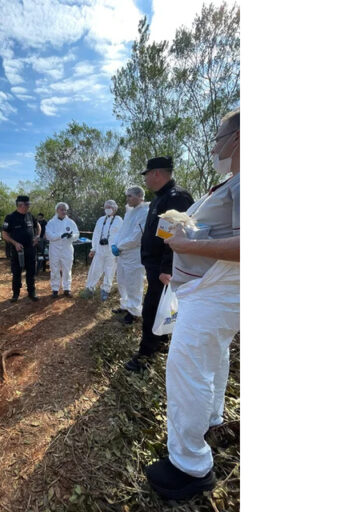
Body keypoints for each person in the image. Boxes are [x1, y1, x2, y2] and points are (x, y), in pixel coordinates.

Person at [144, 109, 240, 501]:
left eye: (219, 138)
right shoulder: (232, 182)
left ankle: (189, 465)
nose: (215, 146)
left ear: (240, 137)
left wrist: (186, 245)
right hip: (211, 290)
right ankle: (212, 419)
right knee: (213, 358)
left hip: (216, 291)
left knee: (187, 368)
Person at [124, 156, 193, 372]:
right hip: (154, 266)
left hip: (164, 269)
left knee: (152, 309)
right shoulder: (159, 199)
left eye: (146, 175)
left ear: (156, 173)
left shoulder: (176, 198)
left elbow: (177, 236)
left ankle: (145, 355)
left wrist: (166, 267)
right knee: (159, 308)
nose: (145, 180)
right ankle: (160, 341)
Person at [109, 186, 149, 324]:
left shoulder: (145, 211)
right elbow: (121, 231)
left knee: (134, 283)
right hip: (122, 253)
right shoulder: (129, 212)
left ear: (139, 196)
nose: (128, 199)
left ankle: (134, 312)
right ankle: (125, 305)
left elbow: (137, 237)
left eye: (130, 196)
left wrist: (119, 246)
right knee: (122, 281)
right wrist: (115, 243)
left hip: (134, 254)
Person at [81, 200, 123, 301]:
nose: (107, 209)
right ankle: (90, 288)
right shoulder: (100, 220)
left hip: (111, 250)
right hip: (100, 249)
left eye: (109, 207)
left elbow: (122, 235)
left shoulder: (119, 220)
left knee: (110, 270)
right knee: (95, 269)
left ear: (114, 208)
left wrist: (119, 248)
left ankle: (105, 290)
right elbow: (95, 235)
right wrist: (93, 249)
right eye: (106, 207)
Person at [1, 195, 41, 302]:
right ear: (20, 205)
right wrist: (15, 243)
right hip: (17, 250)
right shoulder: (10, 217)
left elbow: (38, 226)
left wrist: (37, 236)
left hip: (30, 249)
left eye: (28, 204)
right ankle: (16, 294)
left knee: (31, 272)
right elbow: (4, 234)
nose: (28, 206)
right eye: (27, 204)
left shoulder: (30, 216)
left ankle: (31, 292)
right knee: (16, 272)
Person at [44, 202, 79, 297]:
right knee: (54, 269)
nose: (63, 211)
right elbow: (48, 235)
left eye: (65, 210)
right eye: (61, 209)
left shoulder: (71, 222)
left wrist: (71, 236)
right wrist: (60, 236)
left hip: (67, 249)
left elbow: (77, 234)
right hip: (54, 249)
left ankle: (67, 289)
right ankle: (55, 289)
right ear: (57, 210)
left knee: (67, 269)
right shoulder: (51, 223)